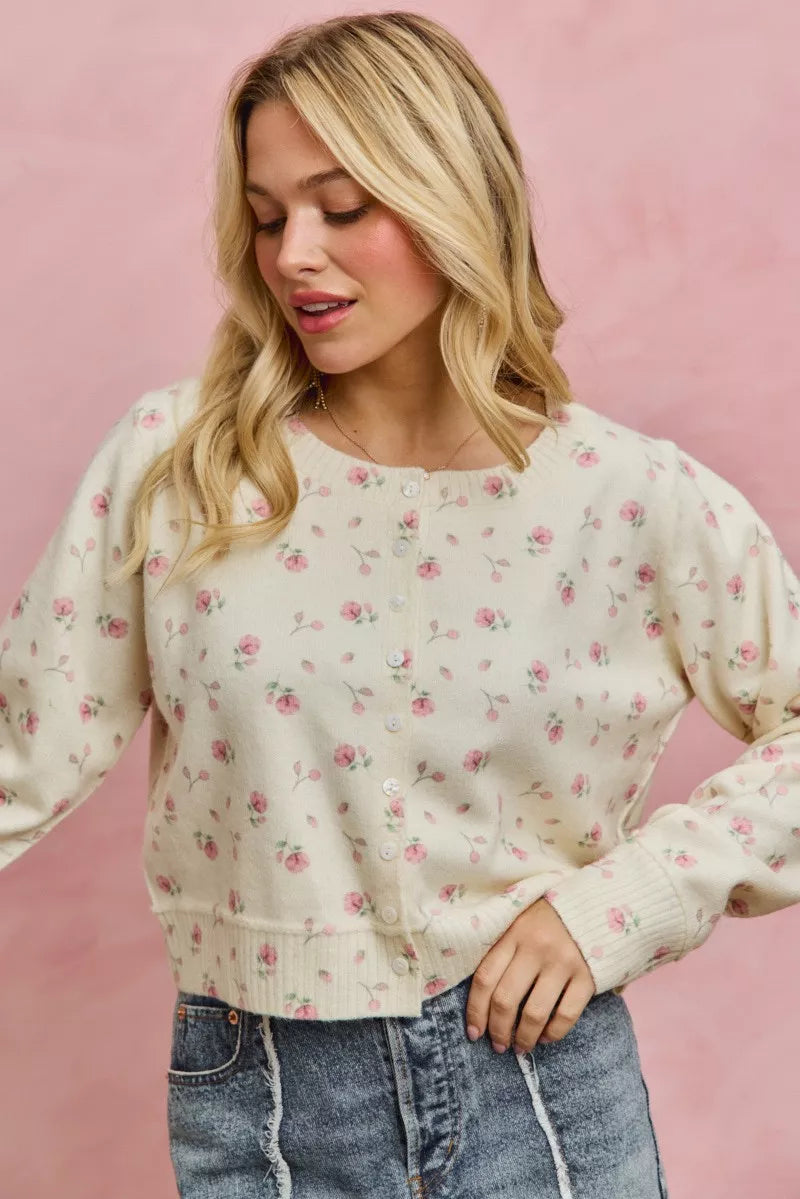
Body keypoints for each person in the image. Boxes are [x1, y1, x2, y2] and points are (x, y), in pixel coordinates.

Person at [2, 11, 798, 1197]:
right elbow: (20, 750)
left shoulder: (628, 499)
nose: (293, 255)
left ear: (453, 199)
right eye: (267, 216)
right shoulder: (182, 465)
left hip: (538, 1089)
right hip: (260, 1099)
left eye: (342, 207)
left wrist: (615, 907)